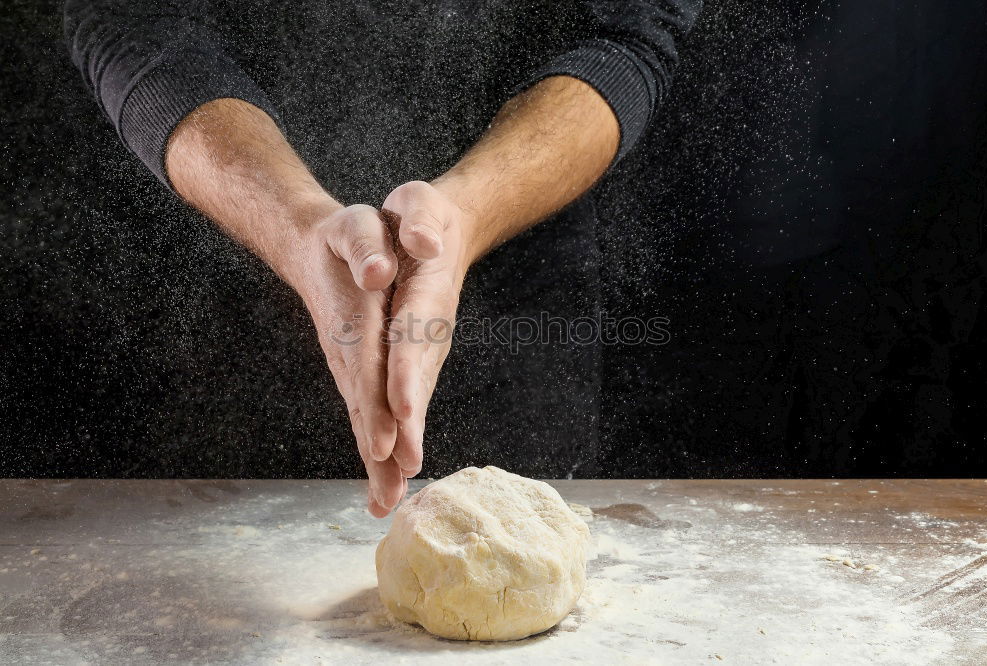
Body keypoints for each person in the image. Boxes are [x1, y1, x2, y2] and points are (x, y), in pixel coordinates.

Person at [65, 0, 701, 515]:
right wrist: (295, 227)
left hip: (514, 307)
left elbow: (629, 35)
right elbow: (127, 21)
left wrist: (470, 212)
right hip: (228, 286)